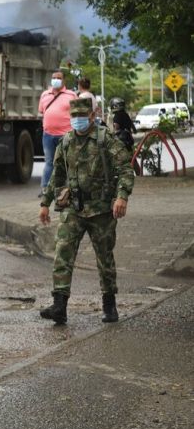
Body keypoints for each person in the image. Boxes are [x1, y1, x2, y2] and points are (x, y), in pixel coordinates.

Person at [38, 98, 135, 326]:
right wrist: (45, 203)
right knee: (62, 252)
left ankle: (109, 304)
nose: (77, 120)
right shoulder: (66, 141)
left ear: (92, 116)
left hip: (101, 210)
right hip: (73, 208)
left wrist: (122, 196)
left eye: (82, 116)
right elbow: (57, 175)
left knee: (104, 257)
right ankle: (59, 305)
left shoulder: (105, 139)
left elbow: (125, 168)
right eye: (74, 116)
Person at [38, 70, 78, 195]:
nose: (55, 80)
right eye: (54, 77)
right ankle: (46, 189)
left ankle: (68, 189)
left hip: (66, 135)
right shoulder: (45, 95)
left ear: (64, 80)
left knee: (67, 162)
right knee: (49, 162)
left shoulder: (71, 95)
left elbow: (78, 112)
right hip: (48, 135)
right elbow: (41, 111)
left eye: (59, 78)